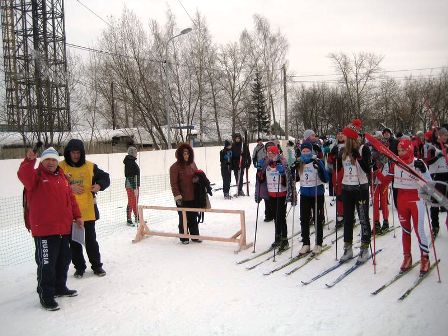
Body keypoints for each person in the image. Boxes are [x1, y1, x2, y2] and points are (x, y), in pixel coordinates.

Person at [18, 147, 83, 311]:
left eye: (54, 159)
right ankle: (46, 295)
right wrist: (29, 161)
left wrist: (77, 216)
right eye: (48, 160)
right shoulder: (36, 177)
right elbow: (23, 175)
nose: (51, 163)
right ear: (42, 161)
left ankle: (60, 287)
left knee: (63, 260)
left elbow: (71, 198)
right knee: (46, 264)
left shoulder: (62, 177)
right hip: (45, 231)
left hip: (63, 228)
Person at [375, 139, 431, 274]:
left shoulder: (418, 162)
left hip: (416, 199)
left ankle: (425, 258)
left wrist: (423, 170)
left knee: (419, 230)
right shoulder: (396, 163)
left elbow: (429, 183)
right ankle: (407, 257)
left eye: (403, 150)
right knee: (405, 230)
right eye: (399, 150)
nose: (400, 153)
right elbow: (385, 181)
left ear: (410, 149)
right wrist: (375, 170)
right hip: (401, 199)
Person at [59, 139, 110, 278]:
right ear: (68, 153)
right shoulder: (60, 167)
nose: (75, 155)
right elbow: (52, 185)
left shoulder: (90, 166)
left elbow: (106, 177)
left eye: (78, 152)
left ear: (82, 153)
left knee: (91, 241)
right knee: (74, 243)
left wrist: (99, 185)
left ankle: (97, 266)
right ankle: (79, 267)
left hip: (88, 212)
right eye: (73, 152)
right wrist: (69, 187)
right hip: (70, 213)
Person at [339, 119, 372, 264]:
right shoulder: (343, 150)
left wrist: (357, 156)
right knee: (348, 219)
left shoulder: (363, 149)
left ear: (351, 136)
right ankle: (348, 248)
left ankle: (364, 248)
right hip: (347, 188)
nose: (342, 136)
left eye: (345, 135)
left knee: (363, 219)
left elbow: (367, 169)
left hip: (360, 188)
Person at [296, 142, 329, 254]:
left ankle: (318, 243)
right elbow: (295, 178)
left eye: (307, 151)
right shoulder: (299, 162)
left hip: (317, 194)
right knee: (304, 219)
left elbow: (326, 178)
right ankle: (306, 243)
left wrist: (319, 168)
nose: (305, 153)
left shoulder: (317, 161)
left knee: (317, 219)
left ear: (311, 151)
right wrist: (291, 168)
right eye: (303, 151)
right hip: (304, 194)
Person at [256, 146, 289, 251]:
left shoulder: (283, 162)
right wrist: (259, 170)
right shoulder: (267, 164)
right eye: (269, 153)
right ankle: (277, 238)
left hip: (281, 193)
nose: (270, 155)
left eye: (272, 153)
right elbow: (261, 180)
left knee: (281, 217)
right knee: (275, 217)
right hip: (271, 194)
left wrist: (283, 173)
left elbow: (288, 180)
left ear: (277, 153)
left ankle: (285, 239)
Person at [169, 143, 202, 244]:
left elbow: (197, 174)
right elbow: (174, 184)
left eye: (187, 153)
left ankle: (195, 236)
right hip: (182, 198)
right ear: (180, 154)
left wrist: (198, 179)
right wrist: (178, 197)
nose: (186, 155)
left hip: (193, 196)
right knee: (183, 218)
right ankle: (184, 237)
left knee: (193, 216)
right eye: (184, 154)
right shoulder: (174, 167)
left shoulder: (192, 164)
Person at [425, 127, 448, 238]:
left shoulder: (447, 147)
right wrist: (439, 155)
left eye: (447, 135)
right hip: (436, 177)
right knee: (435, 204)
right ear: (439, 136)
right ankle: (435, 226)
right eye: (444, 135)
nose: (446, 137)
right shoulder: (432, 147)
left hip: (446, 176)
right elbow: (427, 161)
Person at [327, 131, 345, 228]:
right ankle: (340, 214)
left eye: (342, 134)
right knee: (338, 192)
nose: (340, 135)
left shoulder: (348, 145)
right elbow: (329, 160)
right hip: (336, 170)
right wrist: (332, 157)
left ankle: (346, 213)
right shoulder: (334, 146)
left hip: (345, 170)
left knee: (344, 192)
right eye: (338, 134)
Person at [123, 146, 140, 226]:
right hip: (131, 185)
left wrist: (136, 186)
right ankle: (129, 219)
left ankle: (137, 217)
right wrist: (134, 187)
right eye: (135, 152)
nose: (136, 154)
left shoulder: (131, 161)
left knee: (135, 201)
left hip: (135, 184)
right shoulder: (130, 162)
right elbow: (129, 175)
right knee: (131, 201)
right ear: (132, 153)